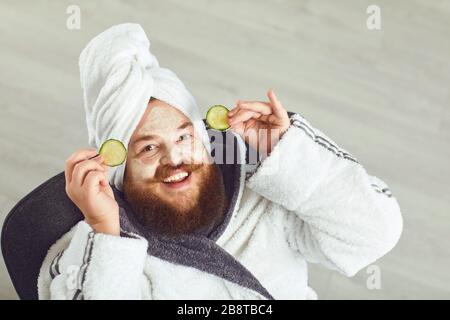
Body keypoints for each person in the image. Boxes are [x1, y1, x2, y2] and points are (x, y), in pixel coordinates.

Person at [38, 24, 402, 300]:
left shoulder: (262, 198)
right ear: (118, 169)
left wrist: (290, 155)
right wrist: (105, 230)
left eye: (184, 137)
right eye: (148, 149)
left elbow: (374, 233)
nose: (174, 159)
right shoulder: (99, 243)